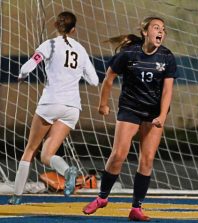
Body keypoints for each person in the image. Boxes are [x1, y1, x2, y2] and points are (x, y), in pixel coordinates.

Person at [82, 16, 178, 221]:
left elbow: (168, 91)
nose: (160, 31)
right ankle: (102, 197)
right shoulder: (128, 54)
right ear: (145, 32)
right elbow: (108, 79)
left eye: (163, 29)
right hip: (130, 108)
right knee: (118, 154)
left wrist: (162, 115)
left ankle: (136, 208)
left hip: (153, 113)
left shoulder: (167, 57)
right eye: (156, 27)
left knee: (147, 159)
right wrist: (103, 104)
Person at [8, 11, 99, 205]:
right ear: (73, 29)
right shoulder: (81, 50)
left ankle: (16, 196)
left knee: (30, 150)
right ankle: (67, 171)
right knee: (46, 155)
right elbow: (94, 80)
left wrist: (22, 75)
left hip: (51, 103)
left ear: (56, 25)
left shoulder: (49, 44)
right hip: (72, 108)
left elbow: (29, 66)